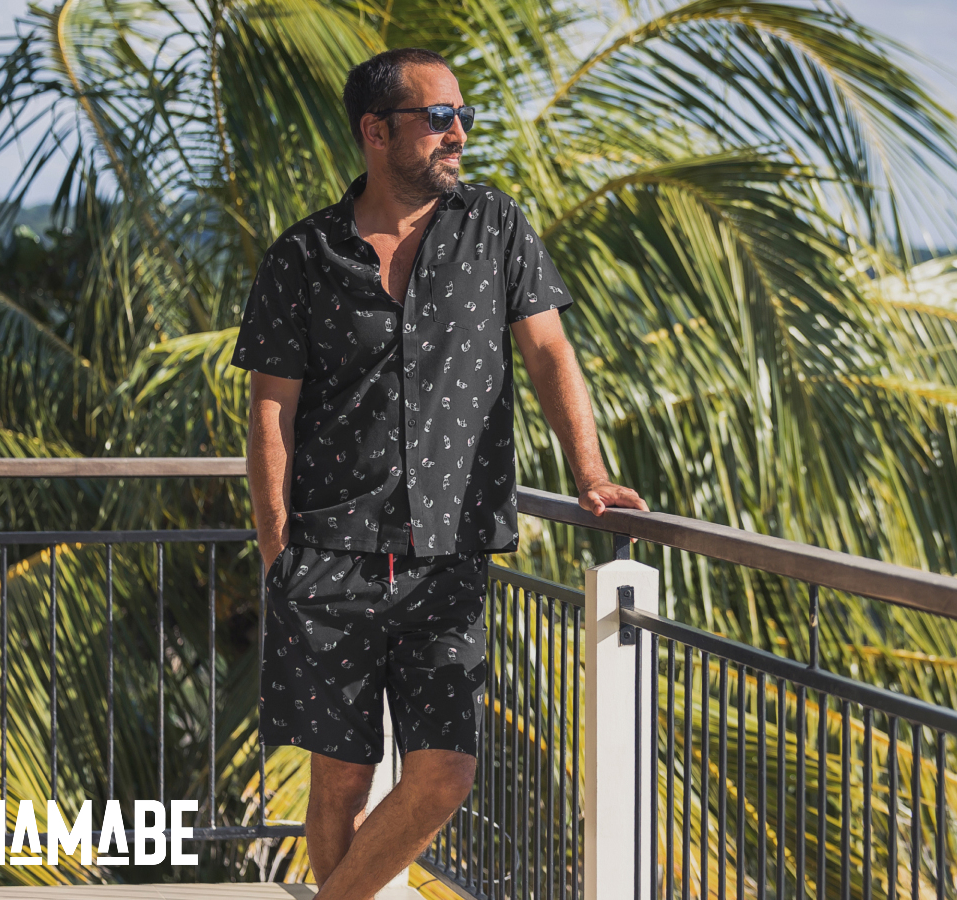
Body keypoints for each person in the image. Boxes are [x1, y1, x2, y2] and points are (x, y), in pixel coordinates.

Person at [233, 47, 647, 900]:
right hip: (329, 555)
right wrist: (278, 554)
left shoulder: (495, 228)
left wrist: (591, 474)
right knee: (341, 780)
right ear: (376, 132)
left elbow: (549, 354)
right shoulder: (304, 256)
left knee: (445, 773)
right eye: (439, 118)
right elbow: (271, 410)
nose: (458, 132)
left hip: (449, 555)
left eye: (462, 115)